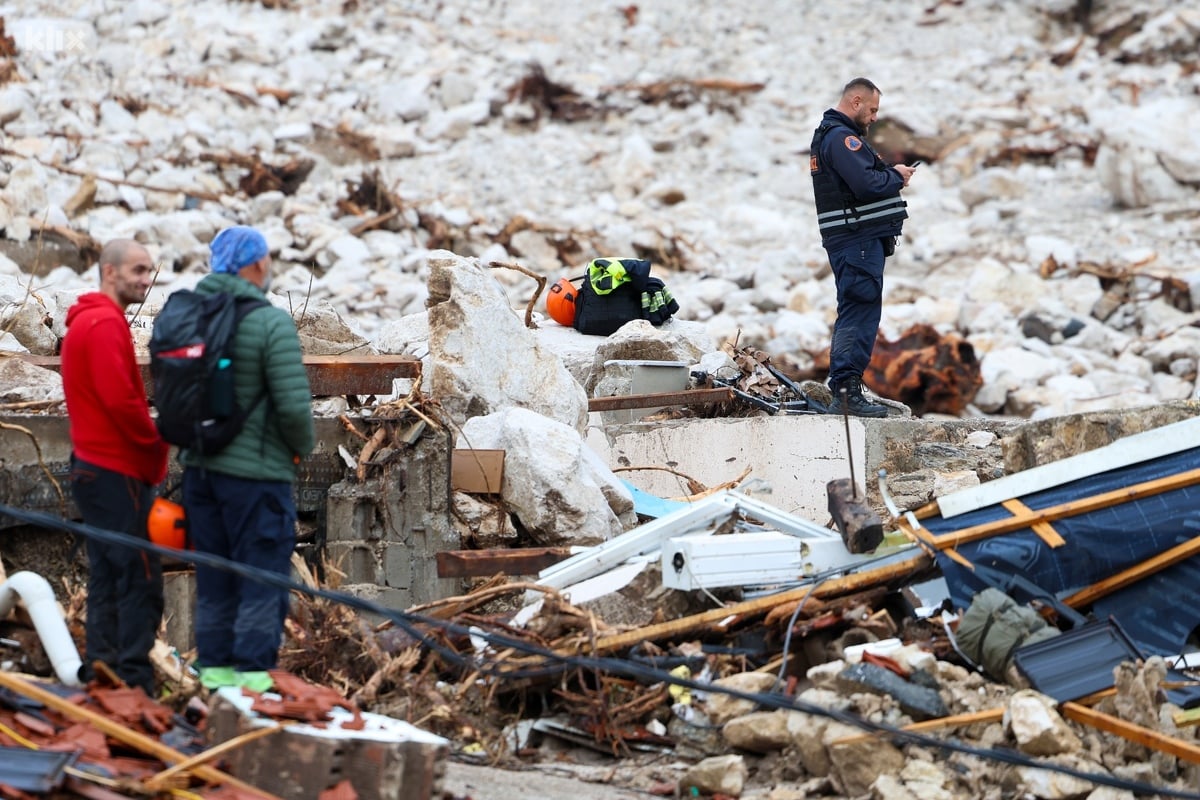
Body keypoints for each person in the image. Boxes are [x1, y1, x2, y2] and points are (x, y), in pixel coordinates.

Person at [179, 226, 315, 692]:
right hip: (257, 477)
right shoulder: (270, 321)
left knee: (214, 574)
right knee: (260, 576)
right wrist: (303, 448)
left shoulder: (190, 315)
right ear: (257, 265)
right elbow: (295, 407)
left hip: (200, 472)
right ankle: (254, 686)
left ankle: (215, 680)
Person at [61, 239, 170, 694]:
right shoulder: (105, 323)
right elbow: (122, 402)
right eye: (138, 270)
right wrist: (157, 444)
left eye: (149, 271)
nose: (146, 279)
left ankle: (101, 671)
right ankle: (134, 682)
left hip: (89, 466)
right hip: (114, 470)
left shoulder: (84, 319)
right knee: (141, 575)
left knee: (106, 574)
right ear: (110, 271)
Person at [810, 78, 916, 417]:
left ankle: (845, 387)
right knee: (859, 310)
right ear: (856, 101)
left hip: (853, 242)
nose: (873, 118)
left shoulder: (834, 136)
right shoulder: (842, 138)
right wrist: (896, 177)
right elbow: (866, 184)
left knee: (856, 309)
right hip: (856, 243)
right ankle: (845, 391)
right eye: (871, 110)